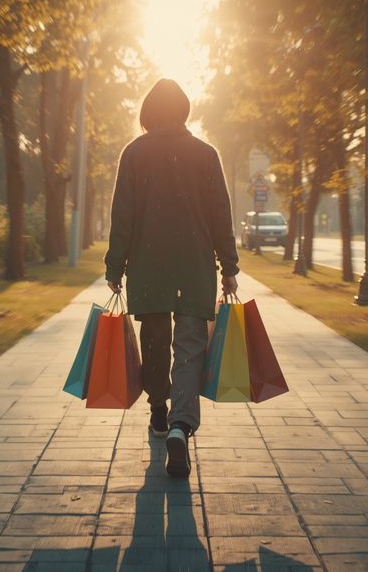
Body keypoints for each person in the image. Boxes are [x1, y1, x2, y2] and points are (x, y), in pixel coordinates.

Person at [104, 78, 239, 479]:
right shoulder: (206, 155)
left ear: (147, 114)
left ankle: (159, 412)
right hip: (195, 268)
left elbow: (122, 215)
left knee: (156, 341)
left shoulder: (133, 154)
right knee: (190, 348)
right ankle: (181, 425)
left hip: (149, 269)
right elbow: (221, 215)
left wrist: (115, 266)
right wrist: (228, 267)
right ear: (184, 111)